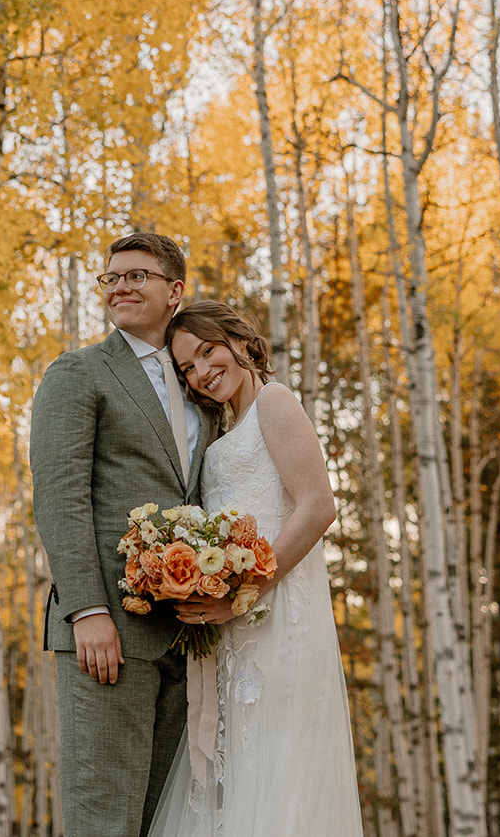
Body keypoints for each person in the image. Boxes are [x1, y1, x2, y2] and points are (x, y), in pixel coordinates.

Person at [146, 300, 364, 836]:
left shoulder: (275, 400)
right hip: (232, 632)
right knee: (239, 770)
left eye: (208, 352)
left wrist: (240, 594)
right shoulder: (224, 431)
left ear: (240, 342)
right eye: (187, 368)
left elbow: (318, 506)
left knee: (280, 766)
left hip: (277, 613)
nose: (201, 372)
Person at [30, 232, 217, 837]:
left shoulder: (201, 386)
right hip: (106, 635)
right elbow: (60, 496)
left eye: (137, 276)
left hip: (187, 638)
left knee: (166, 823)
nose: (120, 287)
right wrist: (86, 609)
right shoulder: (78, 373)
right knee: (104, 819)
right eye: (111, 278)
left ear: (175, 290)